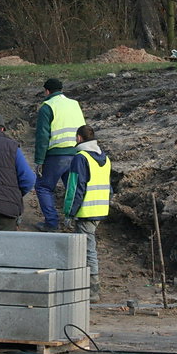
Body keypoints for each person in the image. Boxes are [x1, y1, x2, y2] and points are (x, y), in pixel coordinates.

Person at [62, 125, 111, 303]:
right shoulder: (104, 158)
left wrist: (69, 212)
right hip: (100, 209)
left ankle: (92, 290)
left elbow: (75, 188)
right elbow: (108, 187)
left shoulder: (80, 158)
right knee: (88, 248)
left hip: (86, 211)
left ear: (79, 138)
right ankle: (89, 288)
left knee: (88, 250)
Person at [33, 77, 86, 231]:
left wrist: (39, 160)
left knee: (43, 187)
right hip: (77, 153)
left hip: (56, 155)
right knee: (73, 188)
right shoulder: (74, 104)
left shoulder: (47, 107)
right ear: (61, 90)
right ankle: (75, 221)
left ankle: (51, 223)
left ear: (47, 91)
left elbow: (42, 136)